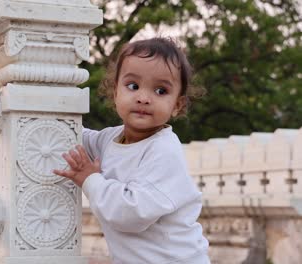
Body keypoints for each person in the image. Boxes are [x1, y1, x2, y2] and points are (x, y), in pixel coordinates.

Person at [53, 37, 210, 264]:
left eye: (160, 90)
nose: (143, 98)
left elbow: (132, 213)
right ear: (115, 92)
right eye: (133, 86)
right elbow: (74, 137)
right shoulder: (109, 140)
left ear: (177, 105)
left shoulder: (164, 151)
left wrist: (90, 180)